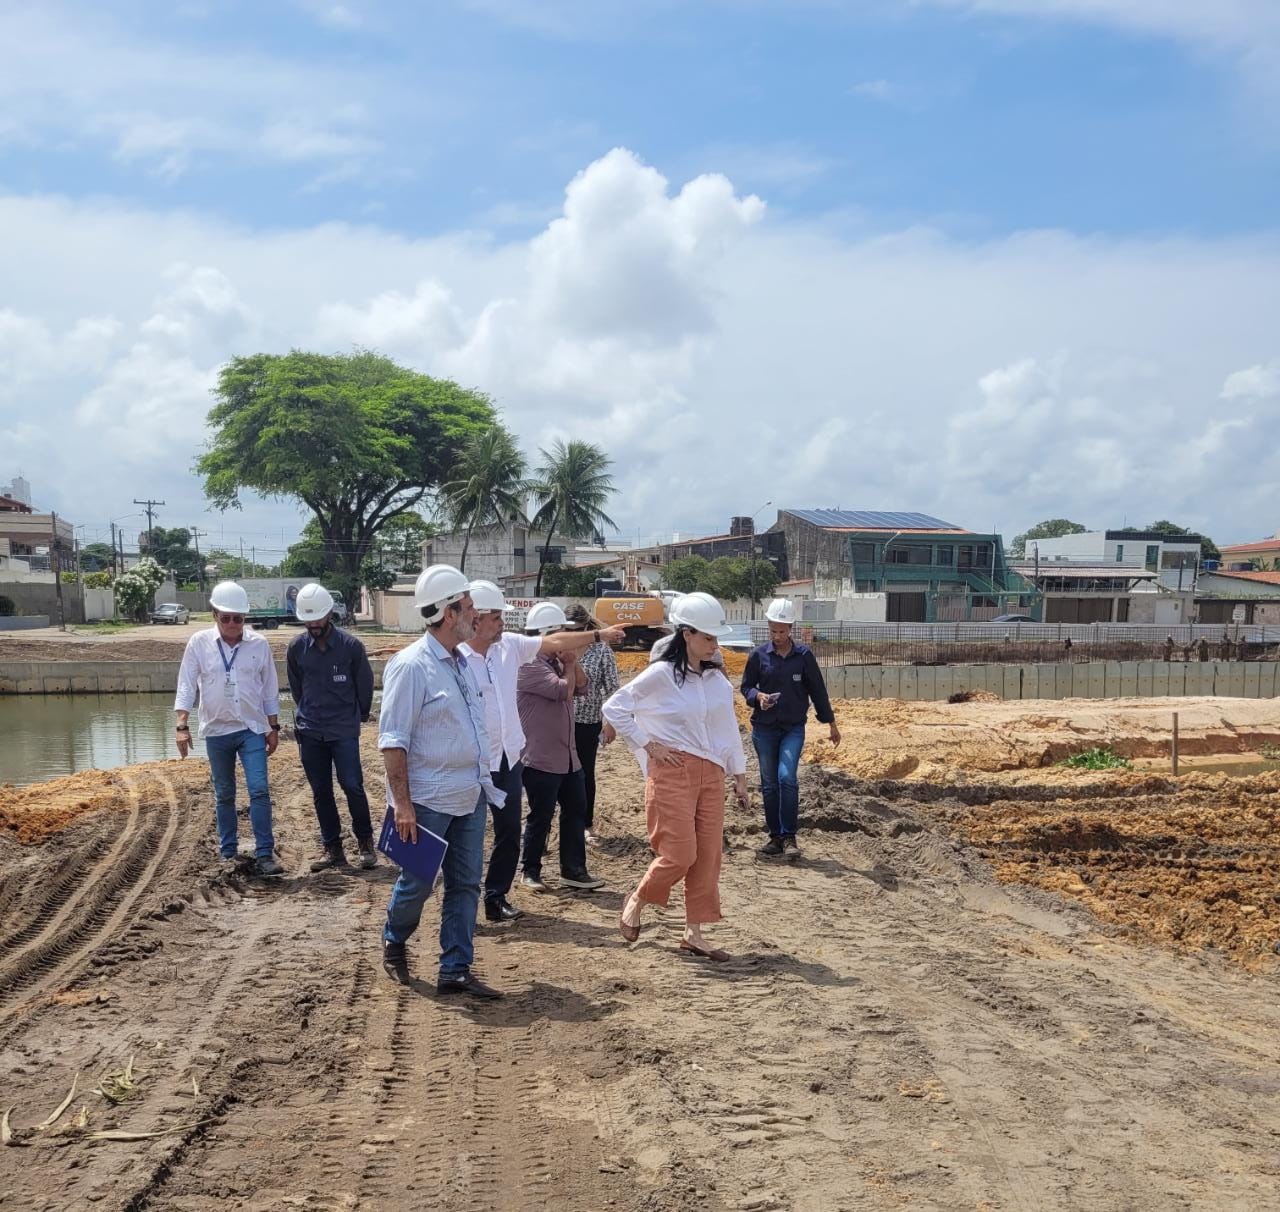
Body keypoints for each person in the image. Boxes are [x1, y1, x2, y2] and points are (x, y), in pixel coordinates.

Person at [461, 583, 626, 921]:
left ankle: (495, 897)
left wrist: (594, 639)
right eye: (496, 617)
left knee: (509, 833)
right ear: (474, 618)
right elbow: (564, 691)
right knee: (468, 834)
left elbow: (578, 682)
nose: (502, 623)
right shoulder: (519, 664)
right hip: (477, 760)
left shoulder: (510, 648)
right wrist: (575, 659)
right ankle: (461, 903)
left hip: (508, 758)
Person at [379, 565, 504, 998]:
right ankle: (395, 939)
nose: (474, 614)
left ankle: (455, 968)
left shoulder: (461, 663)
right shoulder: (412, 666)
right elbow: (393, 741)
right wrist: (403, 805)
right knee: (417, 883)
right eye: (468, 607)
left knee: (466, 883)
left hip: (470, 794)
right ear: (449, 613)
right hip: (428, 800)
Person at [603, 592, 748, 961]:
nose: (715, 645)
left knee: (708, 857)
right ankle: (638, 897)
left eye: (716, 638)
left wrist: (739, 773)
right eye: (709, 637)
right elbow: (615, 708)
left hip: (712, 773)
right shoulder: (662, 674)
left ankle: (693, 933)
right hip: (672, 772)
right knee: (680, 854)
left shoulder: (716, 681)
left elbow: (727, 728)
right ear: (687, 634)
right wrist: (647, 745)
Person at [174, 580, 284, 877]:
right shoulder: (199, 643)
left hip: (251, 728)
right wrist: (181, 724)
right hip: (217, 730)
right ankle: (228, 853)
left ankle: (265, 854)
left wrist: (273, 726)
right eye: (226, 618)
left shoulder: (259, 645)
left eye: (239, 618)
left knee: (259, 790)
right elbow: (186, 684)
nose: (233, 624)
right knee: (224, 793)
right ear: (214, 615)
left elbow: (269, 690)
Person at [517, 602, 608, 894]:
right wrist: (568, 664)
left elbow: (583, 687)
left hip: (568, 756)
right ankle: (529, 871)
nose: (566, 639)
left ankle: (573, 869)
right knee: (540, 815)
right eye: (560, 634)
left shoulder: (556, 662)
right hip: (541, 756)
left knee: (575, 810)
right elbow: (563, 691)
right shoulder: (529, 665)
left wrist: (571, 662)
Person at [740, 598, 840, 861]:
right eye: (773, 631)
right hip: (764, 729)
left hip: (793, 728)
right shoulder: (758, 656)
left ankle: (790, 836)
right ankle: (775, 837)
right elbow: (746, 687)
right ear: (768, 627)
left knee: (787, 778)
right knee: (770, 785)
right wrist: (757, 697)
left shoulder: (804, 657)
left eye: (782, 631)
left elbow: (818, 690)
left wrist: (831, 723)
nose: (777, 636)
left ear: (790, 628)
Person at [286, 582, 377, 873]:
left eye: (318, 618)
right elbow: (298, 689)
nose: (313, 624)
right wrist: (309, 715)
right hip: (311, 731)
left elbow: (365, 689)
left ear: (329, 615)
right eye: (308, 619)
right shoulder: (297, 648)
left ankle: (365, 843)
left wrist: (355, 719)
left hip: (343, 731)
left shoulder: (351, 648)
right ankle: (333, 849)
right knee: (321, 791)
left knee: (352, 785)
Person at [565, 603, 620, 845]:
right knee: (552, 775)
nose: (572, 635)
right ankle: (549, 827)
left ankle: (586, 824)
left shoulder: (601, 651)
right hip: (556, 721)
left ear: (587, 627)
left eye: (577, 629)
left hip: (587, 722)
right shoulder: (556, 646)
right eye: (568, 630)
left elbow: (613, 690)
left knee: (585, 773)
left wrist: (611, 722)